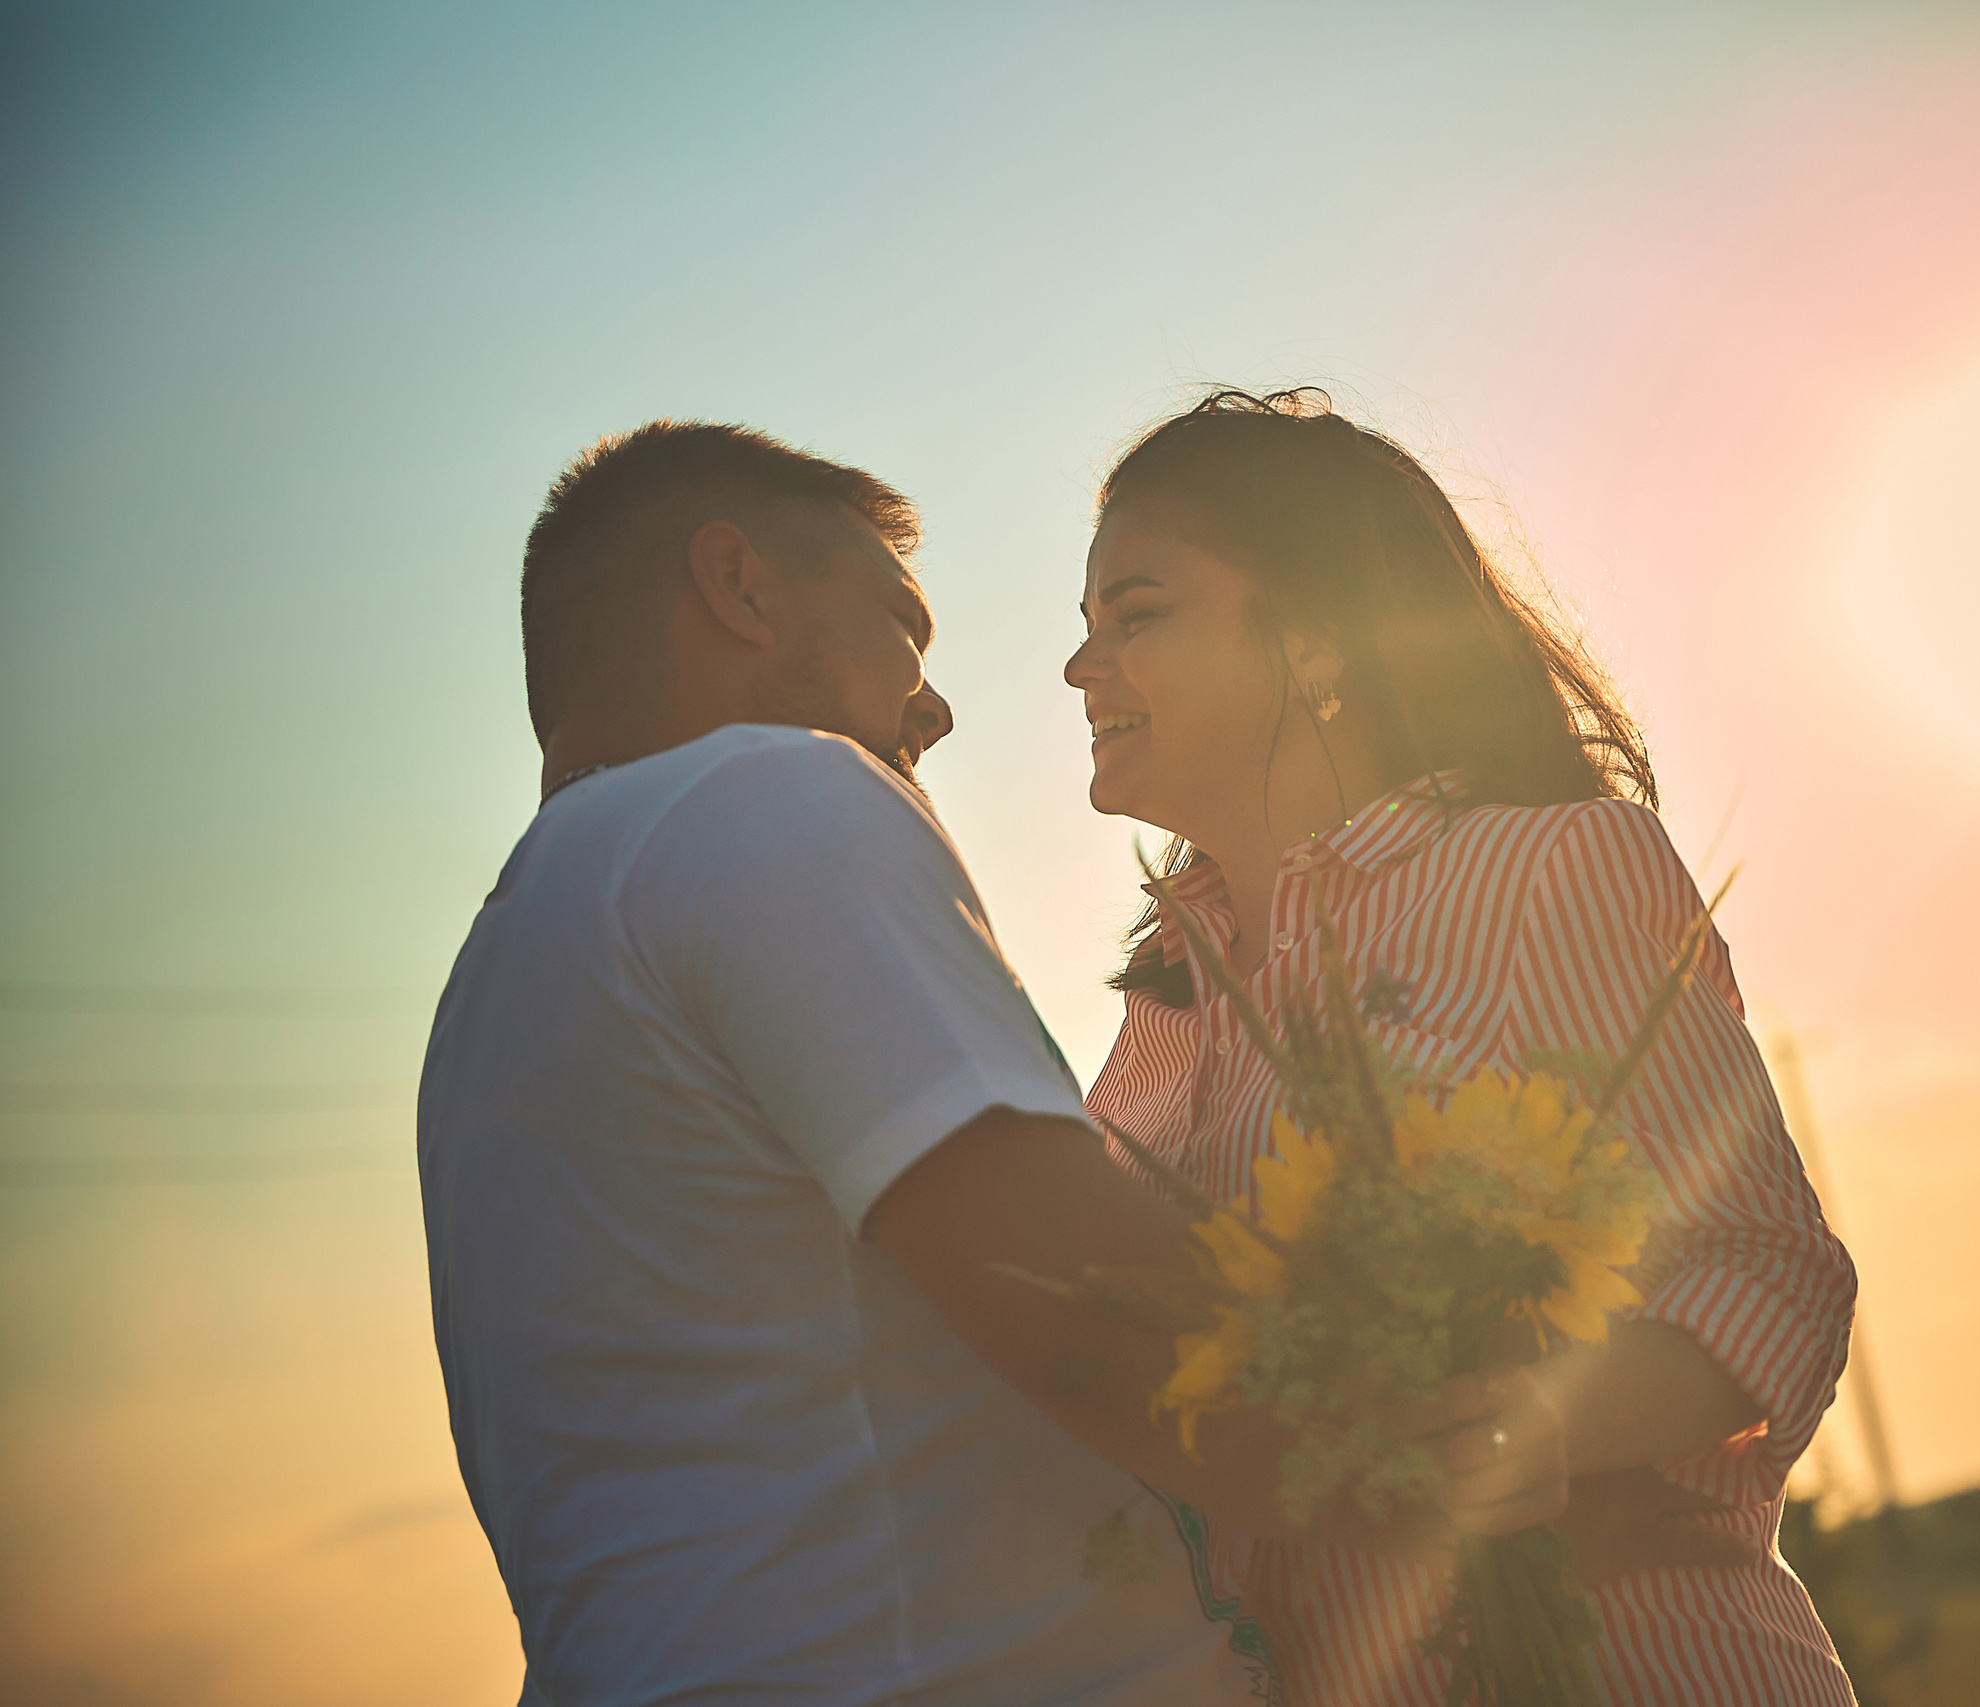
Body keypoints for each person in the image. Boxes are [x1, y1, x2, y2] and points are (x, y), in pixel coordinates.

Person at [419, 420, 1550, 1707]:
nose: (936, 708)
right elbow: (1088, 1316)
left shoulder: (501, 983)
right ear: (738, 587)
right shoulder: (761, 798)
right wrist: (1451, 1437)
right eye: (902, 624)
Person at [1067, 389, 1863, 1705]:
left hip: (1633, 1662)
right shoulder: (1158, 1013)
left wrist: (1534, 1419)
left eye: (1134, 615)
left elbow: (1767, 1271)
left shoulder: (1552, 865)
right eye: (1084, 629)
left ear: (1315, 637)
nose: (1082, 667)